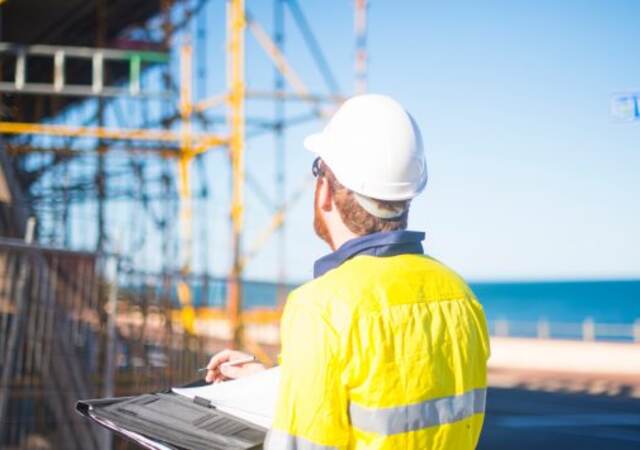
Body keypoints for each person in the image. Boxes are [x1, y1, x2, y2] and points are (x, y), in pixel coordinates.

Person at [205, 94, 490, 450]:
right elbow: (394, 396)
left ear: (324, 189)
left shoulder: (322, 307)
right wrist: (285, 383)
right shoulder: (460, 295)